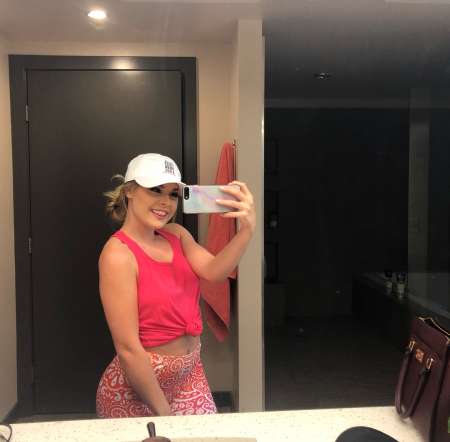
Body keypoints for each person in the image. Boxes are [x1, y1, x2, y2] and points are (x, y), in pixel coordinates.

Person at [96, 153, 255, 417]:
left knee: (207, 435)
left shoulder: (177, 234)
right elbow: (128, 349)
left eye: (173, 194)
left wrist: (247, 230)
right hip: (136, 388)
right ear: (129, 191)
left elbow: (215, 271)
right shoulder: (118, 255)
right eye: (155, 190)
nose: (165, 202)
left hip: (188, 375)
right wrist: (165, 416)